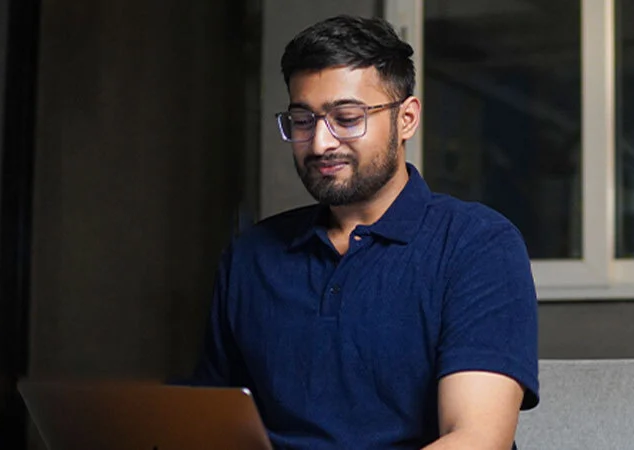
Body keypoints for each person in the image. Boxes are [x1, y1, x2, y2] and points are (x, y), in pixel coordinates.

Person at [188, 15, 539, 450]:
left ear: (406, 119)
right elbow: (207, 424)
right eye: (302, 120)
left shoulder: (478, 245)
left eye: (347, 118)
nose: (320, 143)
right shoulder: (251, 256)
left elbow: (477, 439)